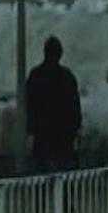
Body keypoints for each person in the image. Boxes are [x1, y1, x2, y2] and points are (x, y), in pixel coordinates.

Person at [26, 35, 82, 172]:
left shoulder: (36, 75)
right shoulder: (67, 76)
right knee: (64, 175)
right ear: (60, 54)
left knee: (42, 175)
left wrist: (31, 127)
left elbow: (29, 103)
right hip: (63, 134)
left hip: (43, 133)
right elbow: (75, 106)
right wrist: (75, 128)